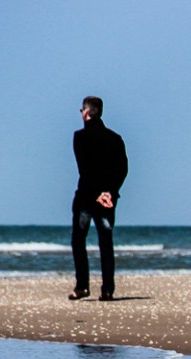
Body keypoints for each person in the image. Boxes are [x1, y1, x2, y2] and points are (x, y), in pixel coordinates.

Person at [70, 96, 128, 301]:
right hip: (107, 199)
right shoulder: (115, 138)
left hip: (87, 196)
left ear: (86, 112)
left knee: (79, 240)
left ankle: (82, 286)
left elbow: (85, 169)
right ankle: (107, 289)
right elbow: (122, 169)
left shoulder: (79, 137)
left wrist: (100, 194)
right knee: (106, 242)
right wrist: (109, 192)